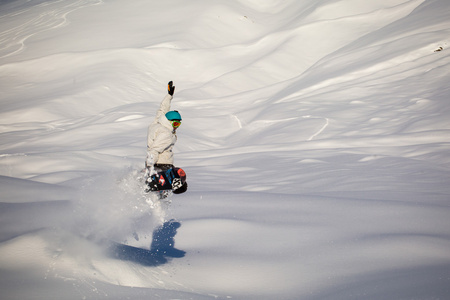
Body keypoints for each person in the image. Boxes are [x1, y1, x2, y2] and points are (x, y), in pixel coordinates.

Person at [145, 81, 187, 194]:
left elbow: (162, 110)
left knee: (176, 183)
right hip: (162, 165)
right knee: (180, 182)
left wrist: (169, 96)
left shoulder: (157, 123)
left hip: (158, 164)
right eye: (175, 124)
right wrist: (149, 167)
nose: (176, 127)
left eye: (178, 124)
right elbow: (155, 149)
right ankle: (167, 189)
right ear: (169, 122)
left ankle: (163, 191)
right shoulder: (166, 134)